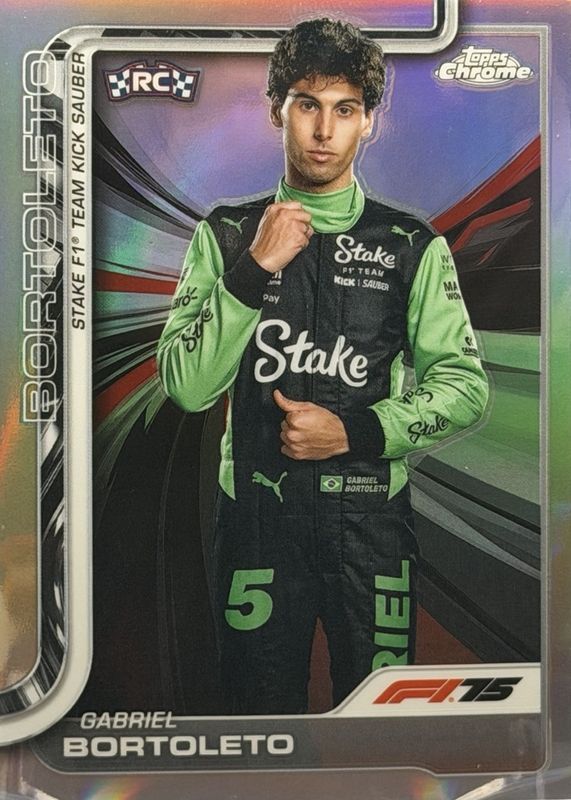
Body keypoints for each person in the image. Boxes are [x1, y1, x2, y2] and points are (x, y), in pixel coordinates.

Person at [157, 18, 489, 715]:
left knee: (381, 724)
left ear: (368, 122)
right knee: (256, 724)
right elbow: (186, 388)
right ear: (276, 109)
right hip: (256, 523)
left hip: (370, 524)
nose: (323, 130)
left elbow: (464, 388)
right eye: (307, 104)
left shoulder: (410, 244)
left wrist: (355, 432)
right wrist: (255, 269)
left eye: (344, 109)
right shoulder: (226, 235)